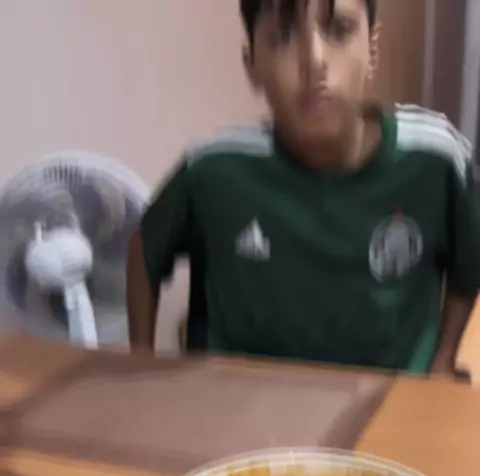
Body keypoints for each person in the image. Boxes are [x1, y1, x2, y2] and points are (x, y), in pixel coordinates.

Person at [127, 0, 479, 375]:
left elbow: (471, 255)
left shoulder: (434, 157)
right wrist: (141, 362)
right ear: (252, 65)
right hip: (245, 398)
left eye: (339, 31)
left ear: (372, 49)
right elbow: (144, 250)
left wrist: (444, 356)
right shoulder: (214, 170)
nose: (315, 61)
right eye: (283, 38)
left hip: (392, 395)